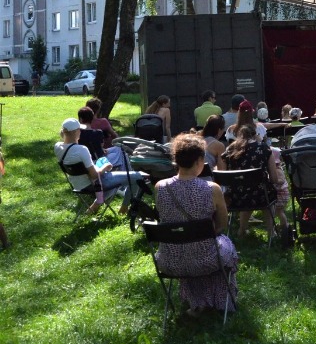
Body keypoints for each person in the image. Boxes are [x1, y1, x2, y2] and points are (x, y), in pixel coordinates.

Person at [154, 133, 238, 315]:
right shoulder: (212, 189)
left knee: (194, 247)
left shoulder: (160, 187)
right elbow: (222, 224)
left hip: (170, 261)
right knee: (225, 245)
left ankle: (197, 300)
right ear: (200, 160)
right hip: (206, 261)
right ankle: (217, 300)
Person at [55, 117, 142, 215]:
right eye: (80, 130)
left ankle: (94, 207)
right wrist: (105, 167)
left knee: (117, 182)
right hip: (93, 184)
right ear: (75, 132)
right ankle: (124, 208)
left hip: (77, 185)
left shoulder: (58, 147)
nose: (81, 132)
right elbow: (94, 176)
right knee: (137, 177)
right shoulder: (82, 149)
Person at [222, 124, 289, 236]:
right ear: (255, 135)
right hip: (261, 196)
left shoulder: (229, 150)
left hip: (235, 198)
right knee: (267, 195)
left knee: (247, 193)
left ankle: (242, 230)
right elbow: (274, 179)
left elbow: (224, 175)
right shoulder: (264, 148)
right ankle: (271, 231)